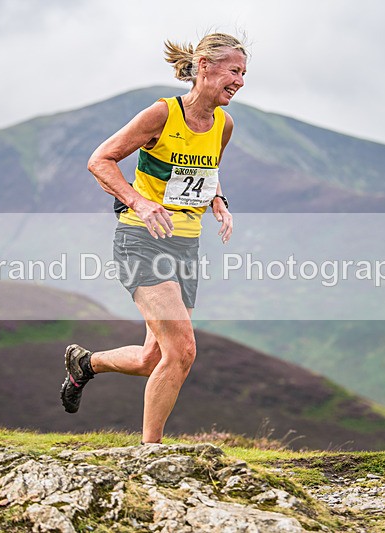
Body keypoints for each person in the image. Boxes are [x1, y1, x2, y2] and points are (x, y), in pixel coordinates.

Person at [60, 32, 247, 444]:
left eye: (244, 73)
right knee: (182, 350)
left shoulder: (223, 124)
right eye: (234, 70)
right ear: (204, 66)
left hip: (186, 245)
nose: (240, 81)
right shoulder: (163, 114)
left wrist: (218, 199)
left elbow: (204, 170)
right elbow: (100, 160)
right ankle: (151, 452)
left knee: (154, 358)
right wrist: (138, 202)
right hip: (141, 240)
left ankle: (85, 364)